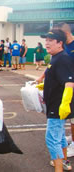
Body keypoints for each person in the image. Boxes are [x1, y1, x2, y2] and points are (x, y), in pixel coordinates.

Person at [40, 29, 74, 171]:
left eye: (50, 40)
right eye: (46, 40)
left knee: (52, 140)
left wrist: (65, 104)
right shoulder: (56, 57)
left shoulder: (62, 59)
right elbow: (57, 78)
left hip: (58, 106)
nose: (46, 43)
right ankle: (64, 162)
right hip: (54, 104)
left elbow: (69, 82)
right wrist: (44, 84)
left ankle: (58, 169)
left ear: (60, 43)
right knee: (59, 137)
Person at [53, 22, 74, 157]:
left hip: (71, 85)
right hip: (65, 86)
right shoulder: (64, 45)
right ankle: (71, 139)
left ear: (66, 34)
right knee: (69, 116)